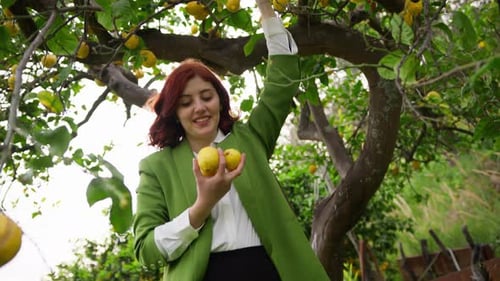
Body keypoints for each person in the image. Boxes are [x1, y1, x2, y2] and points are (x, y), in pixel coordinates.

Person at [132, 1, 330, 280]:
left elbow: (282, 81)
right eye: (186, 102)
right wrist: (202, 206)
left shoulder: (250, 138)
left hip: (269, 271)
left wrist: (266, 9)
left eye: (206, 96)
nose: (199, 108)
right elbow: (146, 251)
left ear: (220, 100)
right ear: (174, 112)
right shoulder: (157, 167)